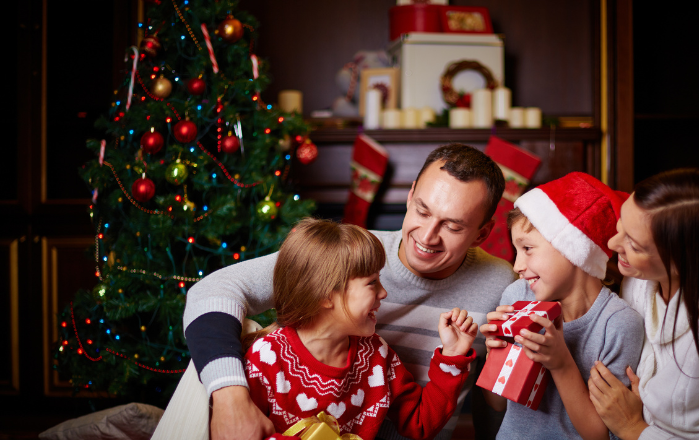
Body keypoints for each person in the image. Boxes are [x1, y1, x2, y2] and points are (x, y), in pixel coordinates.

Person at [182, 144, 517, 440]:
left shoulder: (502, 284)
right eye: (422, 210)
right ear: (411, 194)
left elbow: (499, 400)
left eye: (453, 225)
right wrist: (230, 397)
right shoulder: (349, 256)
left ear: (481, 233)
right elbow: (213, 290)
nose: (428, 236)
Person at [242, 218, 478, 440]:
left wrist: (452, 356)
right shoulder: (267, 357)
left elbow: (420, 423)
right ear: (325, 295)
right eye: (372, 282)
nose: (383, 293)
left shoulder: (376, 356)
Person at [588, 168, 699, 439]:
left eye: (635, 245)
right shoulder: (637, 284)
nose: (613, 242)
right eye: (620, 225)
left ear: (683, 260)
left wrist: (634, 428)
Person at [480, 172, 645, 439]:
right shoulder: (516, 296)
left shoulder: (617, 324)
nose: (517, 266)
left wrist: (561, 364)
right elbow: (496, 403)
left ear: (573, 249)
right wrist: (497, 353)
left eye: (528, 248)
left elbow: (600, 434)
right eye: (516, 250)